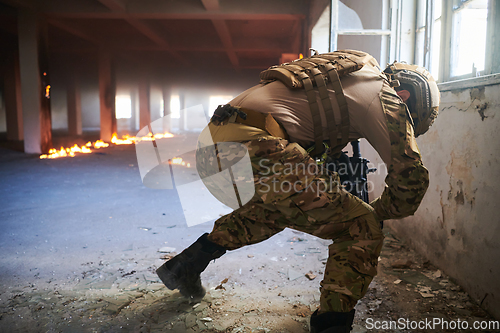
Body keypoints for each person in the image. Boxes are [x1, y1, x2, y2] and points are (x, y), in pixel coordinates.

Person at [156, 50, 440, 333]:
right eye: (411, 120)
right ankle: (332, 326)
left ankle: (186, 266)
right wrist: (373, 212)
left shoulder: (346, 77)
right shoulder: (385, 95)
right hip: (253, 148)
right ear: (405, 97)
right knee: (360, 226)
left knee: (283, 208)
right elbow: (411, 182)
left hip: (211, 155)